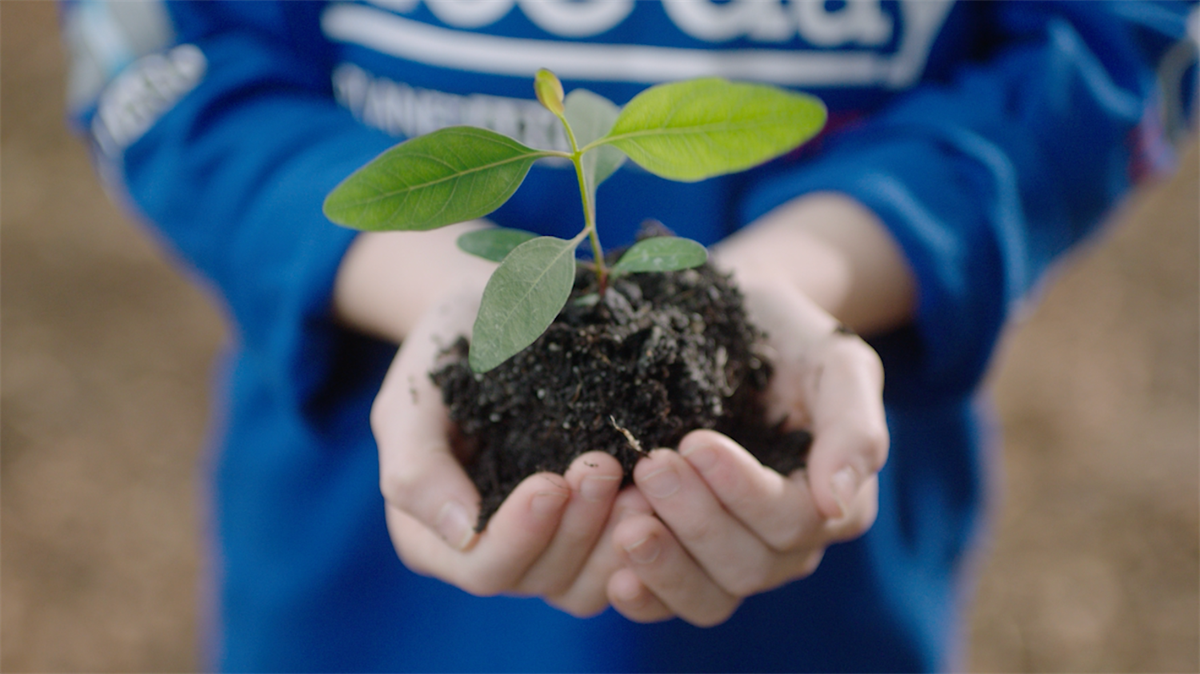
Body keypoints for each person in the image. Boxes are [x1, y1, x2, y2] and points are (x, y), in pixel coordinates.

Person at [62, 0, 1192, 671]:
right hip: (354, 589)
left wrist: (785, 281)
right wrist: (429, 281)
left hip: (811, 591)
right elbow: (163, 54)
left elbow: (1097, 52)